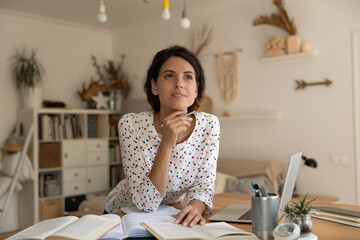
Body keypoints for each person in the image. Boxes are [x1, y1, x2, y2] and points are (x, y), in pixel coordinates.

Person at [106, 45, 220, 227]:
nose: (179, 83)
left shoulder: (209, 125)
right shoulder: (131, 124)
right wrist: (167, 142)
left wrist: (195, 208)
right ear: (154, 86)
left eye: (188, 77)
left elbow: (204, 187)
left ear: (196, 90)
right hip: (125, 215)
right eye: (169, 75)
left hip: (169, 216)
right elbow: (146, 203)